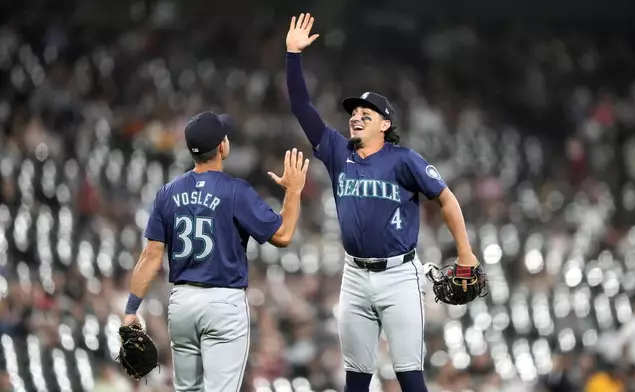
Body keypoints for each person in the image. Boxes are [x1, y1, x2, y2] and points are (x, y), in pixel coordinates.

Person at [285, 13, 478, 392]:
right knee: (356, 380)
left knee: (409, 377)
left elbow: (446, 199)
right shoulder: (338, 151)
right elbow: (301, 107)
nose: (355, 118)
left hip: (398, 277)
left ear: (384, 124)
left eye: (365, 115)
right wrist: (293, 55)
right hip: (354, 277)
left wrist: (466, 254)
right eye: (353, 114)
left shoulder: (404, 159)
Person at [120, 111, 310, 392]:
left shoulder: (167, 193)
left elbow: (150, 257)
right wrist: (293, 192)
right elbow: (282, 236)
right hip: (223, 303)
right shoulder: (235, 191)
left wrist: (131, 310)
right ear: (223, 146)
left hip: (182, 304)